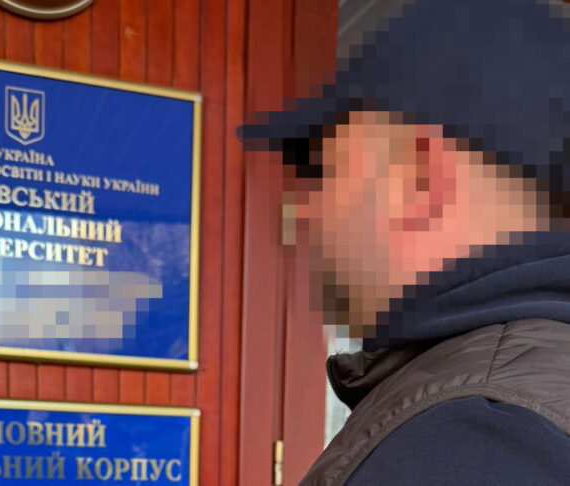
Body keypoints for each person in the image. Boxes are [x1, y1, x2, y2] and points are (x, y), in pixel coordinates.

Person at [241, 0, 570, 484]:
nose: (301, 214)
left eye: (325, 171)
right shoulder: (518, 395)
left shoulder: (473, 439)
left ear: (418, 182)